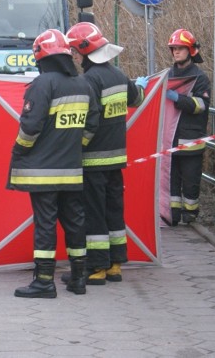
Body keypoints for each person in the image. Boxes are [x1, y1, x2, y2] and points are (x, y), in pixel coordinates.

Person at [7, 29, 99, 299]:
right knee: (75, 221)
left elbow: (30, 127)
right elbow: (92, 124)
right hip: (72, 170)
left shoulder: (42, 84)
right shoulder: (84, 84)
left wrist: (19, 150)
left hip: (42, 172)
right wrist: (74, 147)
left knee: (46, 223)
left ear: (41, 58)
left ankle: (45, 281)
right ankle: (79, 278)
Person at [64, 22, 148, 286]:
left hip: (93, 161)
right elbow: (137, 99)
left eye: (75, 52)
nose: (74, 57)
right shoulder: (118, 75)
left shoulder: (88, 80)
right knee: (114, 211)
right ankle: (114, 265)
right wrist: (141, 85)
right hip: (117, 159)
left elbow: (89, 121)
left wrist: (77, 148)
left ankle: (96, 268)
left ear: (85, 51)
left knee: (94, 214)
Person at [165, 28, 211, 226]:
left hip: (190, 141)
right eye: (173, 48)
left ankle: (190, 214)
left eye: (180, 48)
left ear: (191, 51)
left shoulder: (200, 79)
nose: (176, 52)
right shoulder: (167, 76)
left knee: (190, 181)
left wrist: (178, 99)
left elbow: (201, 105)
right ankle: (172, 214)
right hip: (170, 138)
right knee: (171, 181)